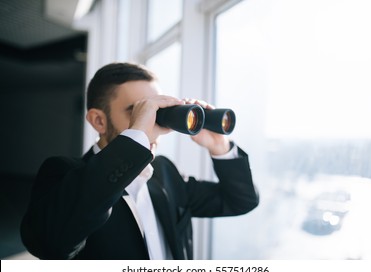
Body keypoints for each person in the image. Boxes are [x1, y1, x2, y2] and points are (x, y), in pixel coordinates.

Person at [20, 62, 259, 260]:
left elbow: (240, 200)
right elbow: (49, 245)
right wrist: (137, 136)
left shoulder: (165, 173)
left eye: (158, 111)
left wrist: (219, 146)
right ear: (99, 121)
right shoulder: (64, 173)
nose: (152, 122)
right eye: (140, 111)